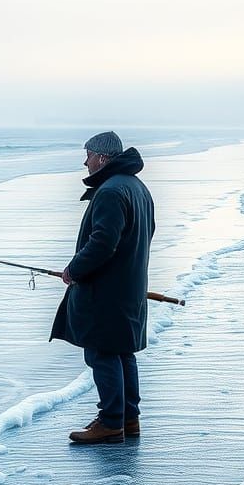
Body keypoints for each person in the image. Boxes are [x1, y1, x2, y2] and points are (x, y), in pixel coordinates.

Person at [50, 131, 156, 445]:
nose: (85, 161)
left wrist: (73, 270)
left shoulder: (111, 191)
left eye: (88, 154)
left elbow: (103, 243)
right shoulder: (137, 187)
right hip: (128, 286)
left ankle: (111, 422)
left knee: (102, 353)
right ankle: (128, 418)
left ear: (102, 157)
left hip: (107, 290)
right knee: (122, 351)